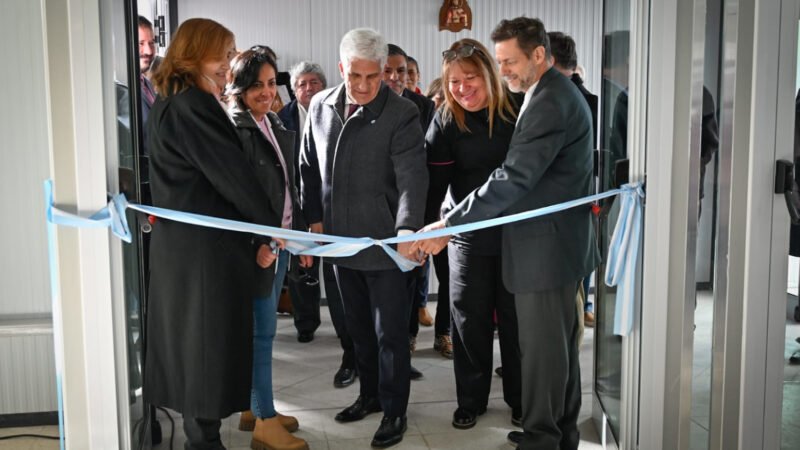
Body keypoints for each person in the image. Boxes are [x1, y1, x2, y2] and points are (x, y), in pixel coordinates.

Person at [413, 17, 599, 449]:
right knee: (556, 356)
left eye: (509, 61)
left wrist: (449, 223)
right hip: (550, 248)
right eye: (500, 62)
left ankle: (541, 438)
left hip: (545, 252)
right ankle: (555, 433)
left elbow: (513, 178)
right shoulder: (544, 94)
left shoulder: (549, 100)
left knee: (544, 358)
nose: (505, 71)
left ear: (539, 55)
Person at [144, 18, 280, 449]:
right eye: (222, 54)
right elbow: (235, 178)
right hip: (205, 256)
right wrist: (269, 232)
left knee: (195, 349)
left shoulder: (172, 101)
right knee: (205, 352)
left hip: (188, 250)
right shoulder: (194, 107)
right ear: (194, 54)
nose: (229, 64)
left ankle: (201, 439)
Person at [300, 28, 427, 448]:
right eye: (356, 76)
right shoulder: (319, 105)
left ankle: (394, 411)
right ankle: (369, 396)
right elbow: (307, 166)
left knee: (390, 333)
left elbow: (412, 175)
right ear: (342, 68)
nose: (365, 86)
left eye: (374, 77)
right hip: (339, 245)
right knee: (357, 332)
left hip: (385, 247)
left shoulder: (402, 113)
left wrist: (407, 229)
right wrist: (314, 219)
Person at [421, 38, 522, 429]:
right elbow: (434, 183)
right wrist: (423, 232)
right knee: (468, 322)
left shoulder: (517, 110)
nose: (462, 89)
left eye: (470, 78)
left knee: (515, 324)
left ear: (490, 74)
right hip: (466, 237)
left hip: (516, 237)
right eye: (453, 82)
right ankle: (471, 400)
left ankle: (519, 398)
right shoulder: (447, 119)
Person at [226, 48, 312, 450]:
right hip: (260, 247)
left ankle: (252, 406)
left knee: (261, 332)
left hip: (281, 243)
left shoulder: (273, 122)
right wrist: (259, 243)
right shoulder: (236, 128)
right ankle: (264, 420)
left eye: (270, 82)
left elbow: (290, 185)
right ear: (240, 87)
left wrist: (297, 240)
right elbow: (238, 198)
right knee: (262, 333)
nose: (265, 91)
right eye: (255, 84)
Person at [384, 43, 437, 373]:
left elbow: (429, 161)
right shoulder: (366, 106)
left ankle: (405, 349)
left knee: (409, 286)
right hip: (377, 212)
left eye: (401, 71)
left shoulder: (423, 106)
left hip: (412, 210)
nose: (395, 77)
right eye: (388, 70)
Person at [548, 30, 599, 328]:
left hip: (561, 212)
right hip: (581, 202)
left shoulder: (560, 99)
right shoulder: (589, 98)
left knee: (564, 304)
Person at [277, 61, 328, 343]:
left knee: (333, 264)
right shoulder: (280, 119)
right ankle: (305, 323)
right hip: (296, 202)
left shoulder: (335, 113)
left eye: (314, 83)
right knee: (303, 265)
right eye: (302, 84)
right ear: (294, 90)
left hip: (330, 201)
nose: (308, 88)